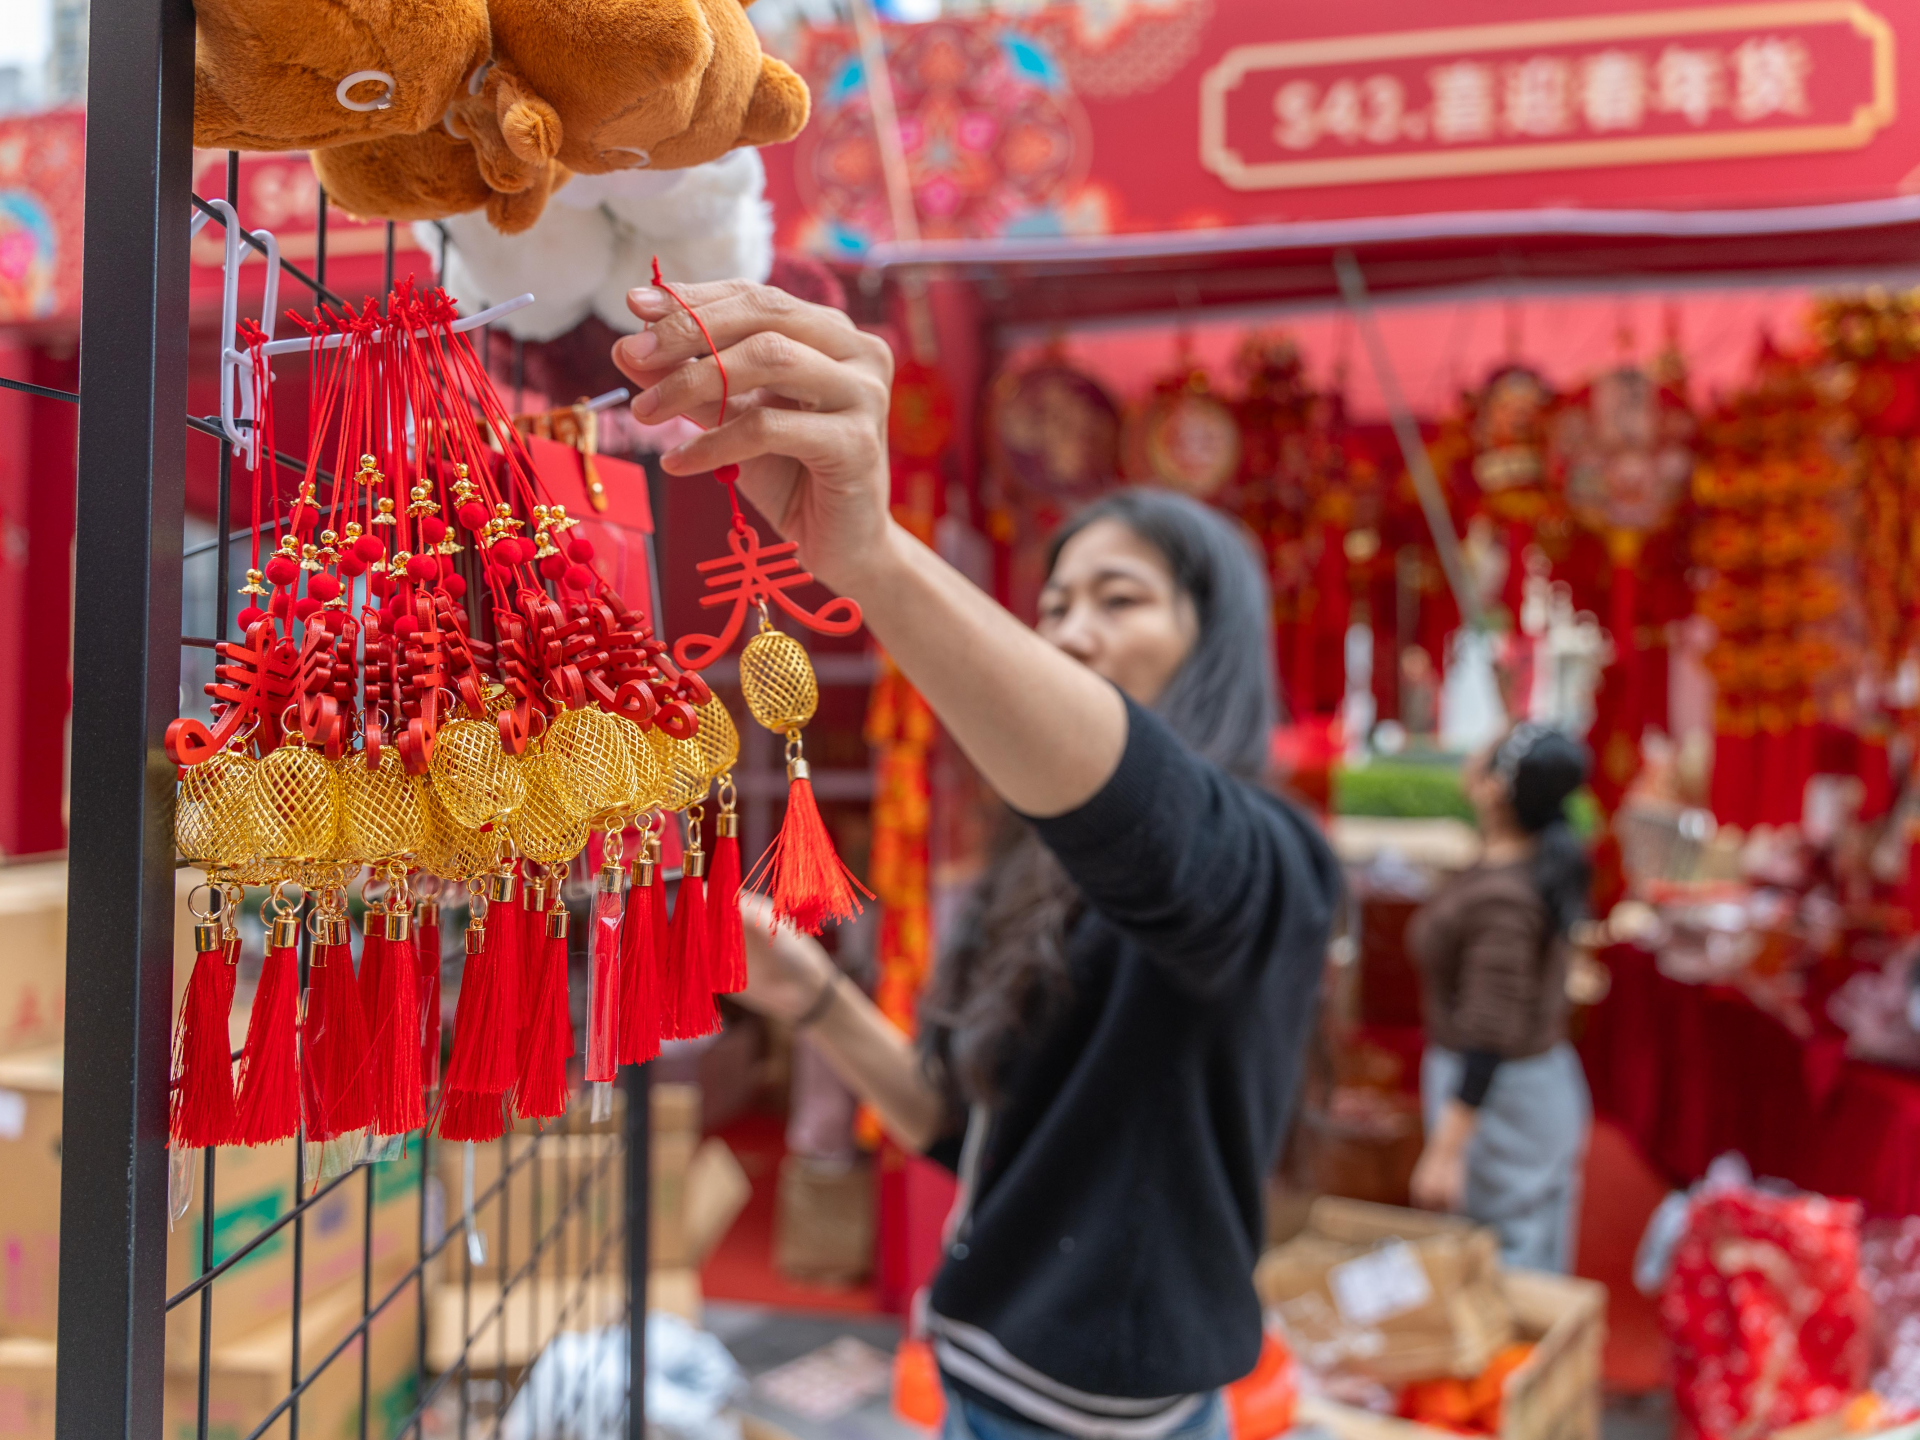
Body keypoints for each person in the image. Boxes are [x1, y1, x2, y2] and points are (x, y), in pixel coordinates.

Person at [611, 283, 1340, 1440]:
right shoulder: (1030, 865)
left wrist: (875, 561)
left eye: (1119, 599)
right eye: (1054, 604)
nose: (1073, 629)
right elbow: (962, 1128)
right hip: (972, 1377)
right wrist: (813, 996)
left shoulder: (1269, 864)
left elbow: (1153, 819)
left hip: (1106, 1420)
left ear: (1214, 642)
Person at [1405, 722, 1593, 1272]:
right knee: (1525, 1246)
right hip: (1522, 1087)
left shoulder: (1504, 897)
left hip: (1500, 1100)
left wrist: (1447, 1148)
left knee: (1507, 1259)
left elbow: (1489, 1028)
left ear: (1494, 788)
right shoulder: (1519, 864)